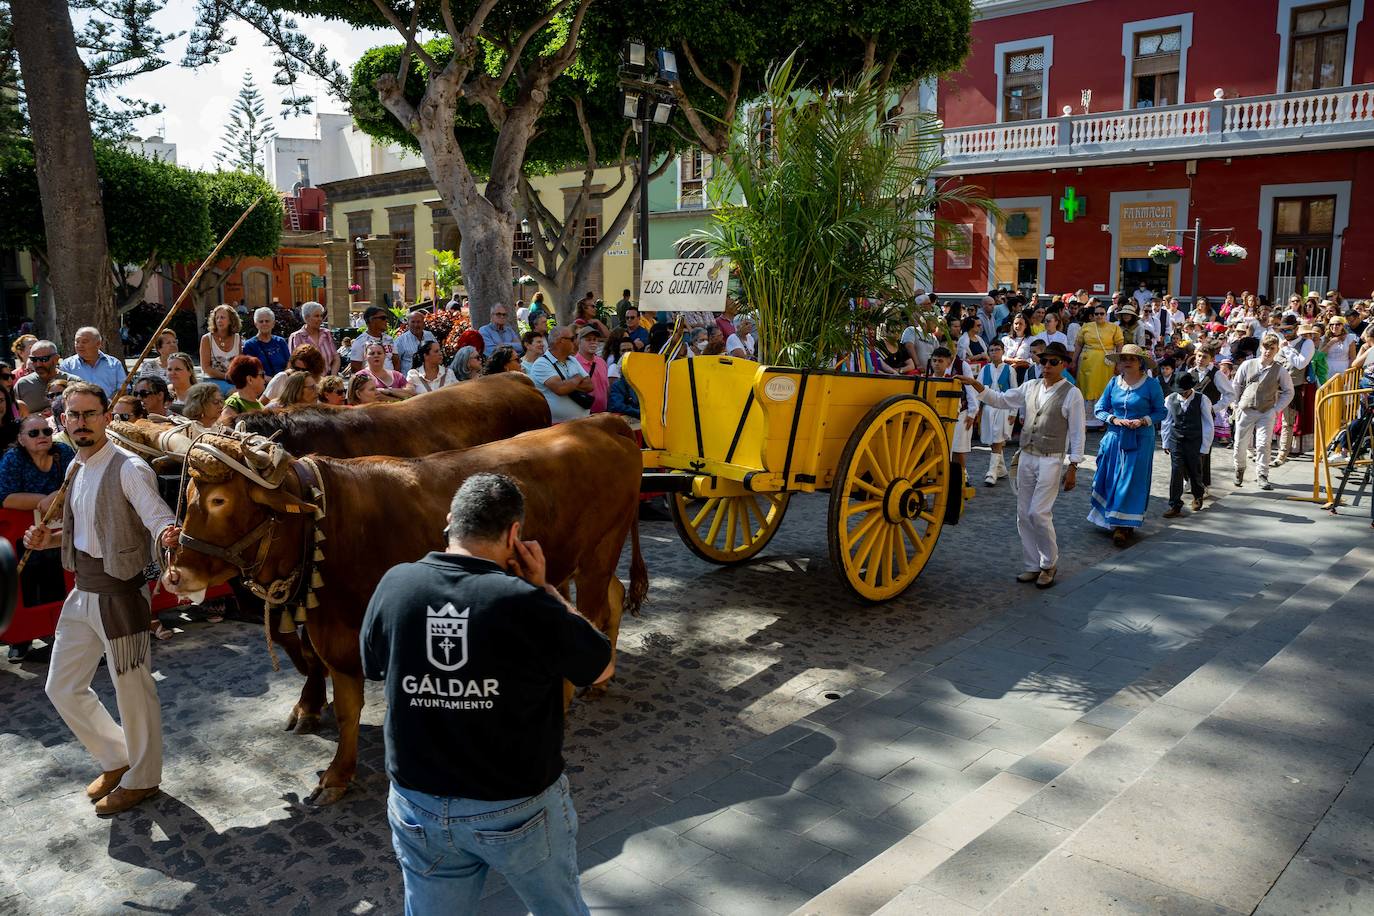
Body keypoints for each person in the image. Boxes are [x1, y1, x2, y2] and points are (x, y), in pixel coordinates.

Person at [361, 474, 611, 915]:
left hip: (419, 803)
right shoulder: (527, 603)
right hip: (516, 808)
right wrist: (547, 590)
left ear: (451, 520)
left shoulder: (396, 583)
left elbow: (374, 665)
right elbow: (600, 666)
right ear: (514, 534)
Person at [22, 381, 181, 815]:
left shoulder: (129, 468)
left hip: (121, 594)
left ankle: (144, 779)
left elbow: (158, 519)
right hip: (83, 590)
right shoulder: (75, 466)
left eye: (90, 414)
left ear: (107, 418)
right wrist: (45, 539)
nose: (80, 423)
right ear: (63, 421)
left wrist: (168, 540)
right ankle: (118, 757)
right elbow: (84, 533)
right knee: (62, 686)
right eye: (72, 416)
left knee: (134, 692)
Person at [957, 341, 1085, 588]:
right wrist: (976, 385)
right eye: (1043, 361)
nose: (1046, 366)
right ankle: (1031, 565)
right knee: (1023, 514)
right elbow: (1001, 400)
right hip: (1027, 454)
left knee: (1039, 512)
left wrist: (1074, 466)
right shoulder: (1030, 386)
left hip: (1051, 457)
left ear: (1063, 365)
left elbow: (1078, 432)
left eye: (1053, 362)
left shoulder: (1072, 393)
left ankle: (1049, 563)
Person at [1, 414, 77, 659]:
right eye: (34, 433)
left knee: (59, 581)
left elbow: (77, 482)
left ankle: (60, 635)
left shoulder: (63, 452)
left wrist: (56, 494)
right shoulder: (12, 459)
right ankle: (22, 641)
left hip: (61, 533)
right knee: (28, 584)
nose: (42, 437)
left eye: (46, 431)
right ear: (21, 439)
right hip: (25, 536)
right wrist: (45, 501)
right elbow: (6, 498)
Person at [1089, 344, 1167, 546]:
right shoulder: (1114, 382)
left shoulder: (1151, 385)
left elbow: (1162, 412)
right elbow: (1100, 409)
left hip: (1140, 439)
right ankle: (1110, 517)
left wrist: (1142, 421)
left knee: (1131, 480)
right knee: (1108, 476)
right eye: (1123, 359)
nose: (1127, 362)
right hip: (1115, 437)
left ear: (1140, 362)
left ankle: (1125, 526)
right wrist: (1114, 419)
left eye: (1131, 359)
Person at [1232, 332, 1294, 491]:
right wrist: (1236, 404)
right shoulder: (1248, 364)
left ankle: (1262, 475)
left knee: (1263, 444)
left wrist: (1276, 409)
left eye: (1272, 348)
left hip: (1266, 410)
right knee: (1240, 443)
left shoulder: (1280, 370)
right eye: (1266, 347)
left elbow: (1289, 391)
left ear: (1277, 350)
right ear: (1261, 348)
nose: (1268, 351)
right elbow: (1236, 385)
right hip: (1246, 409)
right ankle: (1239, 469)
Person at [1160, 370, 1214, 519]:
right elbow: (1166, 421)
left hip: (1195, 440)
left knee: (1195, 470)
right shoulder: (1170, 399)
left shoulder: (1202, 399)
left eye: (1184, 391)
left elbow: (1208, 424)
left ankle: (1198, 496)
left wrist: (1205, 446)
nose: (1182, 393)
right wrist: (1165, 441)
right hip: (1176, 440)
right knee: (1176, 471)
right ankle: (1175, 504)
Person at [1273, 317, 1317, 465]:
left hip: (1291, 389)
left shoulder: (1307, 343)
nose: (1285, 333)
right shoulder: (1280, 343)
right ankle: (1263, 451)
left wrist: (1285, 349)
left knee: (1287, 423)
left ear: (1296, 328)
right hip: (1272, 387)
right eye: (1282, 330)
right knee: (1265, 419)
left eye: (1289, 329)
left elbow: (1300, 364)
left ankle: (1281, 455)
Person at [1074, 299, 1122, 428]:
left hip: (1107, 363)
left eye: (1102, 313)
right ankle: (1087, 420)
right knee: (1087, 386)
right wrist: (1074, 360)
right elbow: (1078, 344)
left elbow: (1119, 344)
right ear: (1093, 315)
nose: (1099, 316)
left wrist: (1118, 363)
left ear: (1106, 315)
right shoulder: (1086, 327)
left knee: (1105, 387)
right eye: (1097, 314)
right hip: (1087, 362)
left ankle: (1103, 419)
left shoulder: (1114, 328)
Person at [528, 325, 592, 423]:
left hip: (582, 423)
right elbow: (561, 389)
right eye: (572, 338)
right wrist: (577, 377)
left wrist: (568, 383)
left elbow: (590, 385)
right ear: (560, 341)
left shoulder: (572, 360)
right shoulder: (541, 364)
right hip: (558, 430)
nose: (576, 342)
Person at [976, 339, 1016, 485]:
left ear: (1003, 351)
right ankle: (1001, 469)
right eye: (991, 350)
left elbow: (1014, 391)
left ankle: (992, 472)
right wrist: (977, 410)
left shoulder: (1010, 369)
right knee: (992, 439)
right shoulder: (985, 369)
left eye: (997, 349)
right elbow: (978, 389)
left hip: (1003, 407)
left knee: (998, 437)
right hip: (988, 407)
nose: (994, 353)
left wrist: (1014, 412)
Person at [60, 327, 127, 398]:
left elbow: (123, 389)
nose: (79, 345)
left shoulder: (114, 364)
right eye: (77, 341)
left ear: (98, 344)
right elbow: (62, 391)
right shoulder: (67, 365)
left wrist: (108, 404)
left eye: (84, 342)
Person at [16, 340, 75, 416]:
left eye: (44, 359)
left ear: (56, 359)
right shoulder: (22, 385)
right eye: (34, 360)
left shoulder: (73, 382)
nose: (38, 364)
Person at [288, 302, 341, 375]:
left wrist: (332, 377)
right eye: (316, 316)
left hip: (328, 381)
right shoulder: (297, 336)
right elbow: (294, 364)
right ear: (306, 318)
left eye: (321, 316)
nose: (320, 319)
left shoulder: (326, 334)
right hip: (308, 382)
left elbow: (336, 358)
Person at [200, 304, 243, 395]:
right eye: (217, 318)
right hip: (211, 381)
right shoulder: (207, 339)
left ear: (231, 320)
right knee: (236, 392)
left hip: (232, 380)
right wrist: (226, 377)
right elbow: (206, 367)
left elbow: (239, 364)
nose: (219, 320)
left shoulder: (237, 338)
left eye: (222, 317)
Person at [263, 344, 327, 403]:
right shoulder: (282, 378)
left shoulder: (321, 383)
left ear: (315, 370)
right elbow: (262, 405)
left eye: (305, 370)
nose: (300, 373)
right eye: (296, 369)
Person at [241, 307, 290, 378]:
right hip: (262, 384)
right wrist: (272, 382)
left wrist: (283, 378)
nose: (264, 323)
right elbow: (252, 370)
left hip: (284, 381)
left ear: (273, 323)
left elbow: (289, 363)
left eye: (267, 321)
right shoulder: (250, 345)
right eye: (261, 321)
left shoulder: (280, 341)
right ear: (256, 324)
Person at [220, 355, 268, 422]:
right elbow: (226, 429)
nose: (265, 379)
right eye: (262, 375)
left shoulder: (258, 403)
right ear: (250, 379)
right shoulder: (233, 404)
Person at [573, 326, 609, 413]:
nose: (593, 342)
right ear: (579, 342)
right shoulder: (573, 363)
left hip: (603, 412)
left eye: (595, 339)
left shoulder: (601, 362)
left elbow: (607, 388)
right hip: (583, 415)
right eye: (588, 339)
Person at [350, 306, 396, 373]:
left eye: (386, 318)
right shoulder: (360, 342)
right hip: (371, 381)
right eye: (383, 318)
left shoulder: (389, 340)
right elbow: (355, 368)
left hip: (390, 380)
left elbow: (396, 362)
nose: (386, 320)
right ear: (371, 320)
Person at [395, 309, 438, 375]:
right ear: (408, 324)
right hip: (410, 380)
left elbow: (436, 352)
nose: (416, 325)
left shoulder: (429, 335)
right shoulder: (400, 341)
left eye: (418, 322)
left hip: (430, 377)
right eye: (413, 322)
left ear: (423, 324)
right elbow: (396, 363)